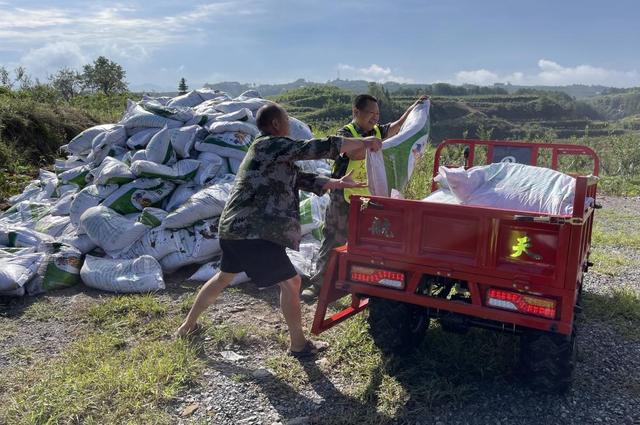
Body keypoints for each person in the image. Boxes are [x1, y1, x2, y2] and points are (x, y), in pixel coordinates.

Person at [177, 103, 382, 358]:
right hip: (253, 231)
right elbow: (312, 148)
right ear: (276, 124)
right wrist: (363, 142)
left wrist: (337, 182)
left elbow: (300, 178)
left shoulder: (271, 154)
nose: (290, 127)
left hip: (234, 229)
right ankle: (298, 344)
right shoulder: (269, 144)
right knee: (292, 281)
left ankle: (187, 327)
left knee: (223, 277)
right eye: (287, 120)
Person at [301, 94, 429, 301]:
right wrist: (371, 145)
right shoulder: (347, 133)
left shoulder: (377, 131)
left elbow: (395, 128)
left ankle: (362, 285)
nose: (375, 118)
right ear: (356, 112)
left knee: (368, 242)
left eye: (378, 114)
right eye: (371, 113)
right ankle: (318, 284)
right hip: (344, 198)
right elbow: (355, 154)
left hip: (367, 200)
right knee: (334, 239)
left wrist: (413, 109)